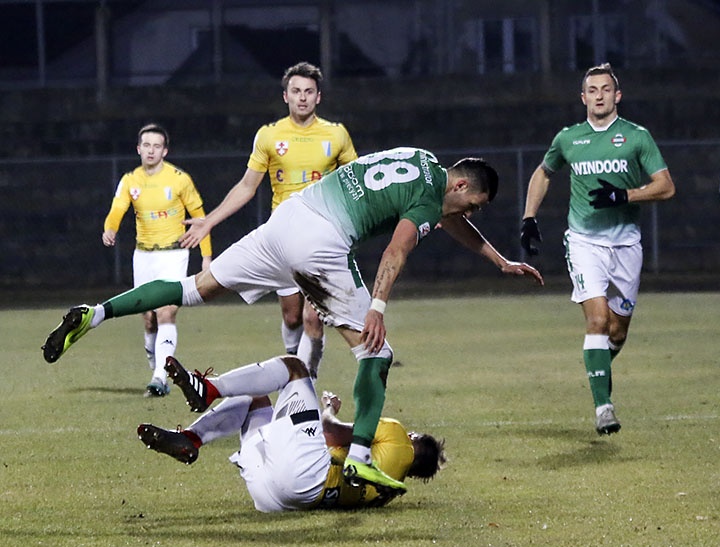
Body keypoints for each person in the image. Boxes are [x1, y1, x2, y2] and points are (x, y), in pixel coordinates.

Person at [43, 146, 543, 496]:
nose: (465, 209)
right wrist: (378, 306)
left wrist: (499, 261)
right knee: (377, 353)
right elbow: (398, 247)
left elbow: (448, 216)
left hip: (287, 219)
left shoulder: (421, 162)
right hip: (322, 240)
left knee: (193, 289)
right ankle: (362, 461)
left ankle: (97, 312)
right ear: (459, 184)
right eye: (471, 202)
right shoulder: (433, 198)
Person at [519, 63, 675, 436]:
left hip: (626, 244)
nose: (600, 95)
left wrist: (625, 194)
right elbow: (544, 172)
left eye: (606, 89)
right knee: (598, 321)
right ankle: (603, 407)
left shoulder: (636, 137)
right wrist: (529, 217)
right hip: (584, 241)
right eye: (593, 90)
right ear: (583, 97)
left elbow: (666, 187)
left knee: (617, 333)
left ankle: (598, 365)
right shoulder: (569, 138)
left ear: (617, 96)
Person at [187, 61, 357, 379]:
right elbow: (247, 186)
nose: (302, 97)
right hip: (283, 238)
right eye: (296, 91)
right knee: (292, 318)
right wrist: (209, 220)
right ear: (285, 97)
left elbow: (358, 183)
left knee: (312, 317)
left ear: (319, 97)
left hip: (323, 238)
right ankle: (294, 363)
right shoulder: (270, 135)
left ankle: (304, 384)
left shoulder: (336, 135)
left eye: (309, 91)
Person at [137, 354, 446, 511]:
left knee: (294, 368)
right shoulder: (386, 494)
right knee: (255, 395)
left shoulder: (397, 435)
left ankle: (208, 389)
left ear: (415, 439)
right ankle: (190, 439)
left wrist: (330, 408)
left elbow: (328, 432)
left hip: (305, 474)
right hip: (274, 500)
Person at [101, 123, 213, 397]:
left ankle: (160, 376)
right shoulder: (130, 180)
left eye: (157, 146)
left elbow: (200, 216)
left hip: (174, 253)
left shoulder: (179, 179)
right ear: (139, 149)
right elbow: (117, 209)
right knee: (149, 318)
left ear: (165, 150)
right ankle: (156, 366)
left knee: (166, 311)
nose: (151, 151)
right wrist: (110, 228)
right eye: (146, 146)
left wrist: (206, 256)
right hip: (143, 255)